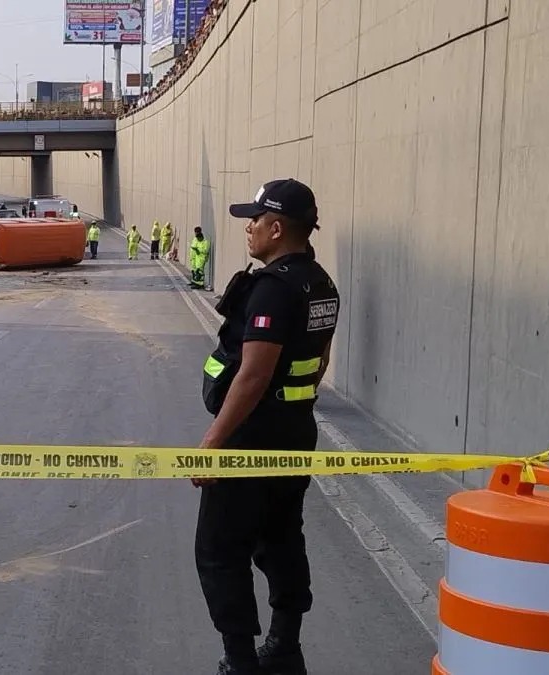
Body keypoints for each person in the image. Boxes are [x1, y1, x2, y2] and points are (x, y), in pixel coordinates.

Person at [193, 179, 340, 675]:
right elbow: (318, 362)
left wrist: (213, 445)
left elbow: (253, 374)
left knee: (219, 549)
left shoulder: (273, 289)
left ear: (276, 228)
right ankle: (284, 646)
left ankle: (240, 661)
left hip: (250, 439)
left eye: (254, 220)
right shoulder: (319, 283)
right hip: (295, 433)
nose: (249, 229)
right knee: (280, 535)